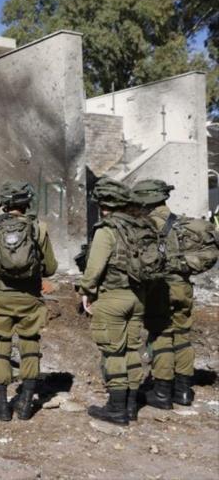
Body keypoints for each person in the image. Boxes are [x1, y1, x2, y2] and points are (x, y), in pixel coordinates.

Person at [0, 181, 57, 421]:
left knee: (0, 345)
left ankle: (1, 405)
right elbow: (50, 267)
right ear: (26, 202)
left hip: (0, 296)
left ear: (4, 203)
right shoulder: (38, 227)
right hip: (29, 297)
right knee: (30, 344)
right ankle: (26, 403)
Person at [78, 178, 149, 426]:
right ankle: (131, 406)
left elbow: (94, 268)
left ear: (103, 204)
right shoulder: (141, 227)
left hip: (113, 297)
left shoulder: (106, 230)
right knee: (132, 349)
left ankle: (116, 409)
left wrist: (86, 291)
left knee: (113, 352)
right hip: (139, 298)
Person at [132, 180, 198, 408]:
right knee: (182, 336)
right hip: (184, 287)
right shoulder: (181, 223)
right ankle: (183, 392)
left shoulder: (146, 225)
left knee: (161, 335)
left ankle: (161, 392)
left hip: (160, 288)